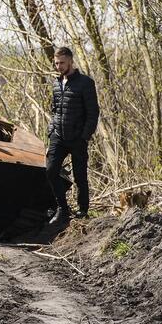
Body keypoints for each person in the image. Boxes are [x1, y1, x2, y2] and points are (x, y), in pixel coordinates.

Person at [46, 47, 100, 225]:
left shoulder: (85, 83)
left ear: (70, 61)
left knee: (80, 176)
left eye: (61, 62)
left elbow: (93, 113)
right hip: (58, 136)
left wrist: (84, 136)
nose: (58, 66)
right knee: (50, 170)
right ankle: (62, 208)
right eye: (56, 63)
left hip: (77, 138)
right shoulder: (56, 83)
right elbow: (55, 110)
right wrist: (51, 130)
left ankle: (83, 210)